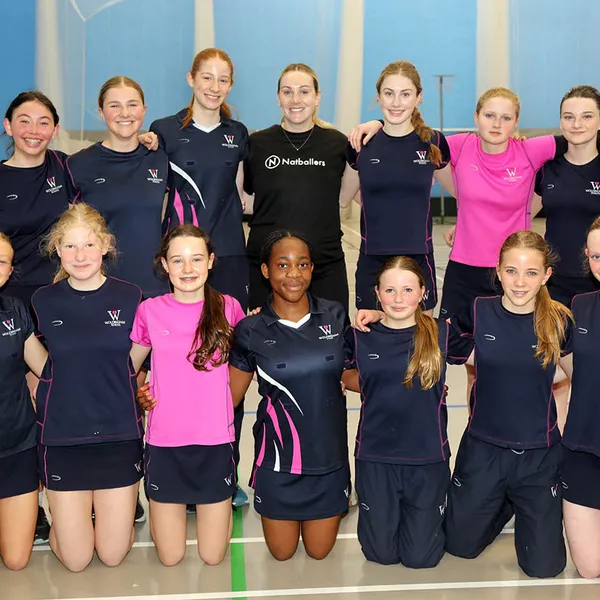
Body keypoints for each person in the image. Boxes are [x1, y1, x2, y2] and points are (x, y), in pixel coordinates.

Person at [150, 49, 250, 506]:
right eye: (206, 77)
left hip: (228, 258)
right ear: (191, 78)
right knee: (178, 367)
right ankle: (175, 468)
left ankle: (226, 471)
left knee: (227, 365)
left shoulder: (237, 134)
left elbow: (245, 195)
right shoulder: (164, 131)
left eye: (222, 79)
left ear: (230, 85)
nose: (214, 86)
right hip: (183, 260)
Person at [444, 231, 572, 578]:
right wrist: (380, 317)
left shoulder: (559, 321)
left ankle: (519, 497)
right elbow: (429, 334)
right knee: (459, 545)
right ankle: (502, 501)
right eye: (511, 271)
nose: (520, 282)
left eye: (531, 272)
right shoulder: (477, 311)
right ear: (498, 271)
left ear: (546, 275)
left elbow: (579, 374)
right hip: (484, 448)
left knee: (544, 568)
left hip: (538, 455)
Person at [32, 204, 144, 572]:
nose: (80, 256)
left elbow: (136, 362)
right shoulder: (42, 301)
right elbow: (40, 365)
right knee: (77, 560)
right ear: (57, 250)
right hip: (64, 438)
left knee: (112, 555)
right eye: (70, 246)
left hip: (119, 434)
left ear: (106, 246)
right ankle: (69, 524)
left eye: (89, 244)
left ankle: (107, 520)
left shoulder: (131, 296)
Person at [228, 231, 351, 561]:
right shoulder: (250, 329)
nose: (294, 274)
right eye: (283, 265)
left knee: (319, 553)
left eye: (303, 264)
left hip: (328, 461)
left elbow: (353, 372)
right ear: (266, 270)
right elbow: (229, 399)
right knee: (281, 554)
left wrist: (411, 380)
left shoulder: (335, 315)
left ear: (312, 268)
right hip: (278, 463)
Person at [130, 225, 245, 567]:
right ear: (164, 265)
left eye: (196, 259)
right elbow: (129, 368)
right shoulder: (149, 310)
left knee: (212, 556)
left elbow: (249, 361)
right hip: (165, 443)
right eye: (177, 260)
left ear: (210, 261)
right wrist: (139, 392)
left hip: (215, 441)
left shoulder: (229, 308)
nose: (188, 269)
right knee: (170, 557)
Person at [342, 256, 461, 568]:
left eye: (408, 290)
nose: (398, 299)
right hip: (376, 456)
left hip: (427, 457)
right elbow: (340, 372)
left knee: (420, 558)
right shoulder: (360, 334)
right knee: (380, 555)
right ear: (377, 293)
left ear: (423, 292)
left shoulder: (441, 333)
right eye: (390, 290)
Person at [244, 64, 360, 313]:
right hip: (268, 270)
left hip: (324, 267)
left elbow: (347, 197)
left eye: (304, 91)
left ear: (317, 97)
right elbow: (244, 197)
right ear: (278, 98)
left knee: (334, 336)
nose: (295, 100)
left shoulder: (337, 144)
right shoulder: (257, 144)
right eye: (287, 92)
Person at [345, 61, 451, 313]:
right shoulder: (361, 143)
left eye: (405, 94)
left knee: (422, 334)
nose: (396, 102)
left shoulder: (433, 141)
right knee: (372, 334)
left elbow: (463, 191)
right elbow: (343, 198)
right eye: (389, 93)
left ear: (418, 97)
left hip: (419, 258)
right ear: (378, 95)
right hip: (372, 259)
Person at [0, 232, 48, 570]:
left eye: (1, 261)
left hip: (16, 446)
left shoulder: (14, 311)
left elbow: (46, 369)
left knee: (16, 560)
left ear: (9, 270)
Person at [532, 85, 600, 306]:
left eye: (587, 116)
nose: (576, 124)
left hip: (596, 282)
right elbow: (520, 212)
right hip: (554, 283)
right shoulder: (546, 169)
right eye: (569, 117)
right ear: (561, 122)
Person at [559, 216, 600, 579]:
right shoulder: (580, 306)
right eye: (597, 256)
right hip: (584, 448)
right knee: (589, 568)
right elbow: (568, 371)